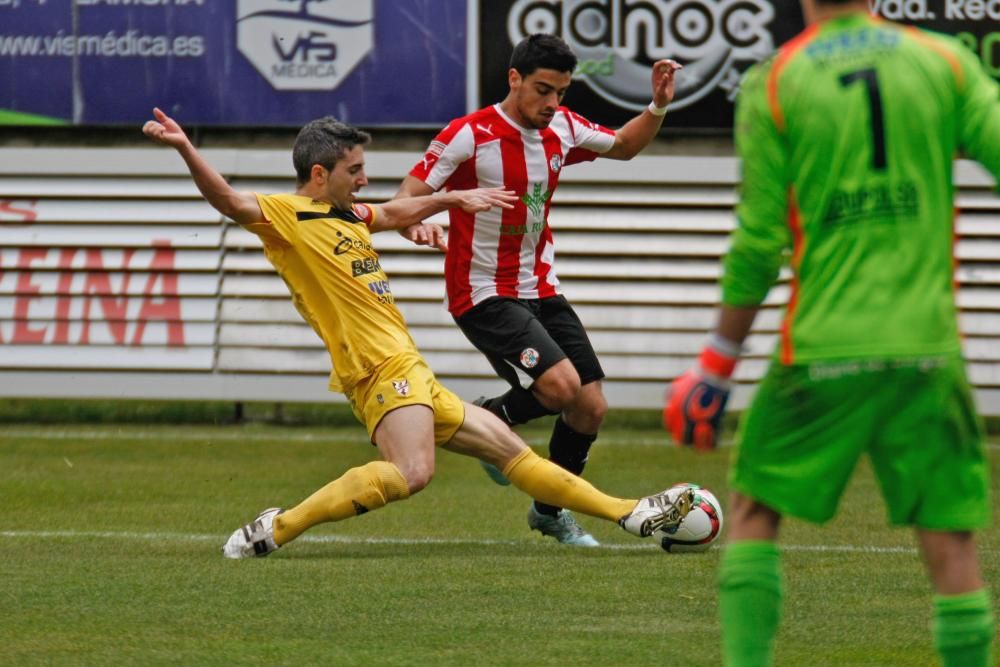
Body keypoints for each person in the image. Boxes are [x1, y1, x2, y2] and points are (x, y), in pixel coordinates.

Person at [141, 108, 695, 558]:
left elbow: (392, 210)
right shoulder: (289, 215)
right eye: (354, 170)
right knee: (413, 472)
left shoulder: (350, 216)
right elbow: (230, 202)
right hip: (378, 370)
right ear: (319, 175)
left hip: (411, 368)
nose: (363, 180)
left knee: (511, 452)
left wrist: (449, 200)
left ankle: (630, 513)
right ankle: (276, 529)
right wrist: (188, 148)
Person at [665, 1, 999, 665]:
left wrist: (716, 364)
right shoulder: (944, 62)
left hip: (820, 347)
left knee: (755, 509)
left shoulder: (777, 81)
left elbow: (759, 244)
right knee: (951, 542)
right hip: (926, 346)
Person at [395, 33, 683, 546]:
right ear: (514, 79)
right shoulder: (469, 135)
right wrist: (419, 224)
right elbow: (408, 197)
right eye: (543, 90)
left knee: (590, 406)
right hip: (482, 293)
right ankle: (489, 419)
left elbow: (624, 145)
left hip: (541, 287)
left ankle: (548, 510)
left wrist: (656, 105)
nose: (552, 104)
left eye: (561, 93)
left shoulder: (564, 128)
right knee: (559, 388)